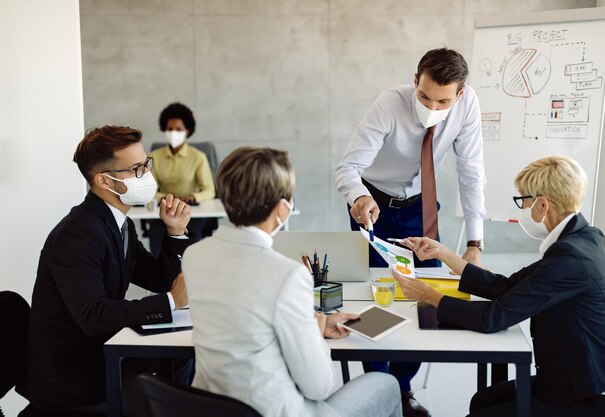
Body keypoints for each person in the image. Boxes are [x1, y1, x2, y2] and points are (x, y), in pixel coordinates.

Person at [393, 156, 605, 417]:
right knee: (482, 400)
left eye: (523, 201)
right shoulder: (581, 239)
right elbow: (506, 287)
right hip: (573, 376)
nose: (522, 208)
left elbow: (492, 318)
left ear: (543, 204)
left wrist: (429, 296)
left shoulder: (571, 257)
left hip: (595, 393)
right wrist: (444, 254)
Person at [183, 147, 402, 417]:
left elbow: (247, 323)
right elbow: (320, 386)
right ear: (282, 208)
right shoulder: (287, 275)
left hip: (210, 408)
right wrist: (313, 326)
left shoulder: (195, 256)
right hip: (275, 410)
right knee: (387, 383)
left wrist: (310, 320)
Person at [334, 47, 486, 416]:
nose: (432, 106)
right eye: (424, 95)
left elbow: (471, 173)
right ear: (415, 78)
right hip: (373, 204)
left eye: (443, 100)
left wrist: (474, 242)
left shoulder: (467, 106)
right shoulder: (389, 104)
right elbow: (347, 168)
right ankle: (377, 388)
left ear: (459, 94)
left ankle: (402, 387)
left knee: (424, 301)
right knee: (375, 298)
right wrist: (358, 198)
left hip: (422, 206)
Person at [17, 126, 194, 416]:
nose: (146, 176)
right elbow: (94, 316)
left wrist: (175, 233)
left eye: (145, 165)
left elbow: (158, 278)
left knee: (181, 360)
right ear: (103, 180)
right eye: (136, 169)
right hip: (71, 380)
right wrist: (171, 302)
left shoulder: (119, 223)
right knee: (173, 373)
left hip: (99, 356)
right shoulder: (79, 233)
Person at [148, 102, 216, 255]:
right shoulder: (155, 157)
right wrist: (165, 198)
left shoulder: (198, 157)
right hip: (164, 209)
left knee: (190, 243)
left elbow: (209, 190)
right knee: (158, 241)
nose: (173, 132)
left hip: (191, 211)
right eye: (169, 129)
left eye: (178, 129)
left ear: (187, 130)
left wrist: (193, 196)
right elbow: (149, 190)